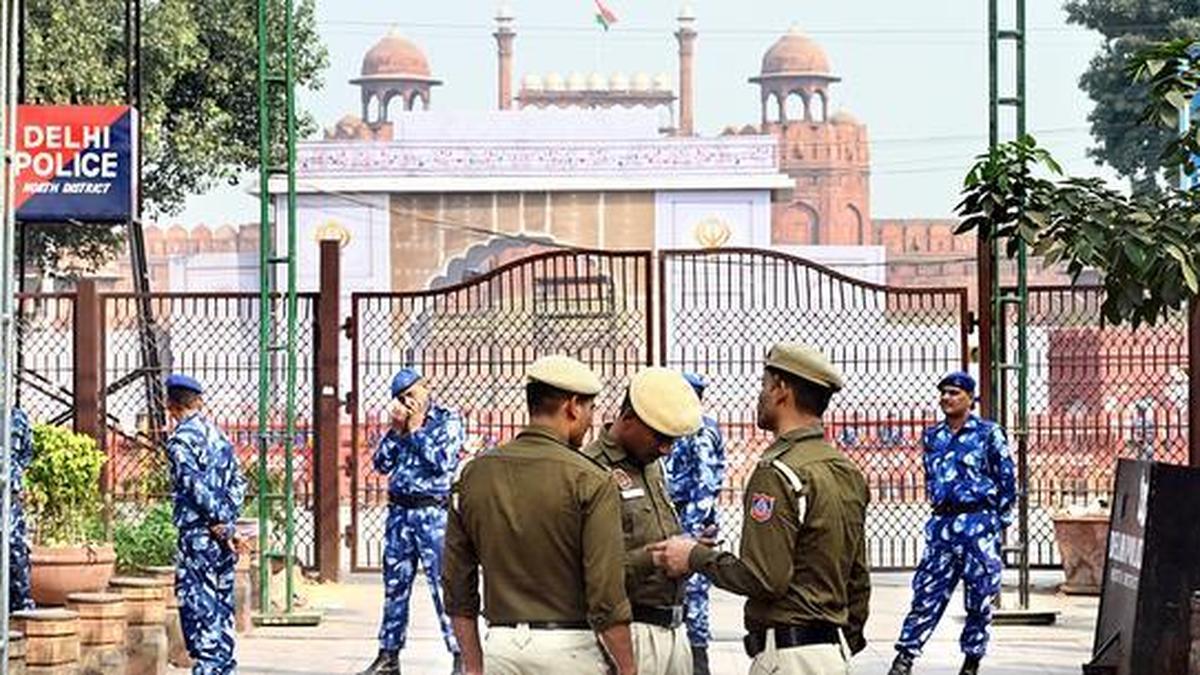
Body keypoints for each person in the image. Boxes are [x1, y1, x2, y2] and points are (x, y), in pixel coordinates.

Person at [649, 344, 871, 674]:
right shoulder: (845, 470)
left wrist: (694, 556)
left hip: (789, 656)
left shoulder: (777, 472)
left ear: (781, 390)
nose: (760, 396)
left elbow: (763, 578)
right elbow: (858, 578)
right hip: (832, 654)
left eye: (764, 386)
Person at [442, 354, 637, 675]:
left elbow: (457, 586)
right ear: (573, 407)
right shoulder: (590, 479)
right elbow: (606, 595)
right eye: (590, 408)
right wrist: (629, 668)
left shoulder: (473, 475)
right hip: (570, 650)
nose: (591, 420)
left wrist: (474, 667)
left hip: (501, 647)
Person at [888, 371, 1016, 675]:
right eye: (944, 392)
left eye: (954, 393)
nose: (947, 398)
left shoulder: (988, 433)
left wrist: (996, 522)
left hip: (978, 524)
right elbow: (932, 478)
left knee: (979, 596)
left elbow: (1007, 479)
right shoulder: (933, 436)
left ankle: (972, 660)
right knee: (927, 592)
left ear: (970, 399)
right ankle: (904, 658)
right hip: (943, 525)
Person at [582, 368, 702, 675]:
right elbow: (588, 571)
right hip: (629, 634)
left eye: (672, 440)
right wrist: (656, 558)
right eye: (660, 437)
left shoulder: (652, 465)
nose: (667, 449)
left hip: (673, 631)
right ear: (628, 418)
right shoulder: (591, 469)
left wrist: (686, 552)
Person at [359, 368, 464, 675]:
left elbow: (442, 462)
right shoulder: (400, 424)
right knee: (395, 587)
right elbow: (381, 464)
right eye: (401, 397)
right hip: (399, 515)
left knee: (444, 587)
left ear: (425, 387)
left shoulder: (447, 420)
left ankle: (461, 656)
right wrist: (396, 431)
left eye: (411, 394)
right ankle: (388, 656)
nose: (408, 402)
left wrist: (416, 429)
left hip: (432, 515)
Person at [164, 374, 247, 675]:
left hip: (198, 536)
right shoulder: (219, 437)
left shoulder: (179, 442)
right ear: (198, 402)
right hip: (222, 537)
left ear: (170, 405)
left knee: (199, 610)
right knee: (222, 611)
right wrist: (228, 522)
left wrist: (217, 521)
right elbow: (239, 482)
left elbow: (193, 487)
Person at [663, 372, 726, 675]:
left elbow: (705, 487)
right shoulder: (679, 426)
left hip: (691, 523)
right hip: (677, 520)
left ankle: (699, 663)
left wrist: (691, 534)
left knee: (695, 594)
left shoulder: (700, 431)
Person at [7, 407, 34, 612]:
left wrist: (14, 476)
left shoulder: (18, 418)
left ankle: (20, 605)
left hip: (9, 495)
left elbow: (27, 454)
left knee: (14, 547)